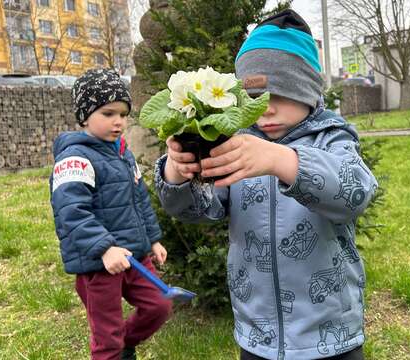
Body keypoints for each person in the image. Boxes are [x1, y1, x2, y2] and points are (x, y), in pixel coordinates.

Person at [155, 10, 378, 360]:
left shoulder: (332, 139)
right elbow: (198, 210)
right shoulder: (236, 142)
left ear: (307, 91)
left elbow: (356, 192)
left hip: (331, 336)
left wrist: (280, 160)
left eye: (279, 95)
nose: (265, 110)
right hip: (257, 336)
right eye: (254, 99)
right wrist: (177, 171)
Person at [49, 69, 172, 360]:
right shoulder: (75, 158)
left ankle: (124, 345)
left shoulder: (123, 153)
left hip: (135, 258)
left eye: (123, 114)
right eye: (108, 113)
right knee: (107, 336)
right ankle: (113, 351)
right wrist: (104, 248)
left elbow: (139, 199)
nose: (118, 121)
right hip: (98, 265)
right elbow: (71, 211)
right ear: (84, 116)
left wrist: (153, 239)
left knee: (160, 305)